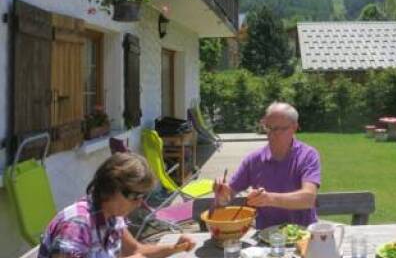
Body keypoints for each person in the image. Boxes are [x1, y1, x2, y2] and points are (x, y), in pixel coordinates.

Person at [38, 152, 195, 258]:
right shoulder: (77, 225)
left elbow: (136, 250)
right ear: (112, 187)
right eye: (135, 195)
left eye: (144, 196)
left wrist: (175, 248)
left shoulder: (112, 216)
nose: (140, 202)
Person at [216, 102, 321, 229]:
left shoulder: (307, 155)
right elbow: (229, 194)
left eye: (277, 129)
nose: (271, 134)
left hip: (303, 234)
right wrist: (222, 195)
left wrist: (269, 199)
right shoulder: (254, 159)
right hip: (266, 237)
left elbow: (308, 198)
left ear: (294, 127)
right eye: (268, 128)